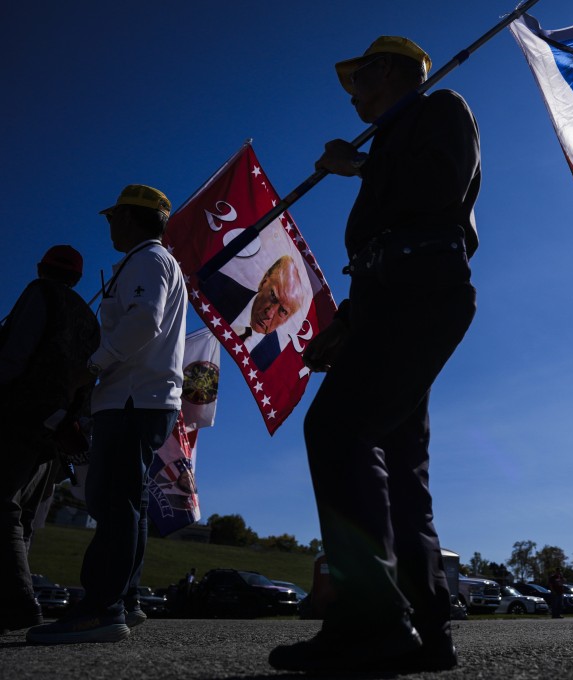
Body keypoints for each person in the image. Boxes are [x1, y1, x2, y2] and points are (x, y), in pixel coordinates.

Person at [267, 35, 480, 674]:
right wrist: (352, 321)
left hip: (424, 290)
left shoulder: (441, 107)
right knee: (400, 462)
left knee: (338, 427)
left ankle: (371, 621)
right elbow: (389, 234)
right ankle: (426, 631)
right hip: (391, 299)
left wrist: (358, 168)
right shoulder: (392, 140)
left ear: (386, 71)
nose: (352, 92)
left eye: (358, 78)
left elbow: (438, 185)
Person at [28, 184, 187, 644]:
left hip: (132, 398)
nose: (109, 224)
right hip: (145, 399)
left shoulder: (148, 260)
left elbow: (143, 320)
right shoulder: (154, 261)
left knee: (112, 502)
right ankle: (126, 600)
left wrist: (92, 367)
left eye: (113, 216)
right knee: (127, 504)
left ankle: (101, 609)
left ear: (130, 217)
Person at [0, 245, 99, 635]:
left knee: (3, 507)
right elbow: (90, 379)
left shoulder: (38, 293)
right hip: (60, 433)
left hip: (19, 418)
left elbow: (13, 357)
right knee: (23, 519)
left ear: (41, 268)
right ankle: (9, 606)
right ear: (76, 278)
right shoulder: (91, 321)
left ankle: (22, 605)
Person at [201, 255, 307, 371]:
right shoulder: (215, 285)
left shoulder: (272, 360)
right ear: (263, 282)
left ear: (287, 319)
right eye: (273, 296)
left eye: (283, 311)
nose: (270, 314)